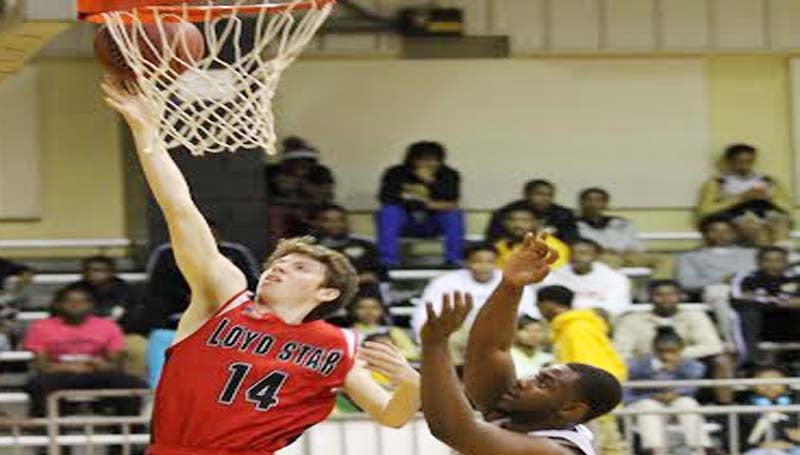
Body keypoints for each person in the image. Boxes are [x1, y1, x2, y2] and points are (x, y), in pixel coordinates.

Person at [102, 78, 421, 454]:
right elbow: (181, 211)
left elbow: (392, 416)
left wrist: (412, 383)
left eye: (300, 267)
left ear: (327, 292)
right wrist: (146, 132)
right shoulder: (222, 297)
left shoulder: (339, 347)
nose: (280, 268)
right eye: (279, 262)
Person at [439, 234, 621, 455]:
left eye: (543, 384)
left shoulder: (555, 450)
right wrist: (511, 285)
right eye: (537, 376)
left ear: (570, 409)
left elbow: (453, 431)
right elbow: (489, 351)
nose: (524, 382)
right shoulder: (516, 417)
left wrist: (435, 347)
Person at [23, 284, 148, 417]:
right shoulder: (40, 328)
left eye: (82, 302)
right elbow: (42, 366)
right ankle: (47, 430)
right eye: (69, 301)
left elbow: (115, 364)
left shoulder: (108, 326)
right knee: (38, 384)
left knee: (131, 384)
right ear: (59, 305)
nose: (75, 305)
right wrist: (70, 367)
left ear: (91, 305)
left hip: (95, 372)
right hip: (59, 374)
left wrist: (102, 365)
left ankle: (129, 430)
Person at [534, 284, 627, 455]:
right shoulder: (571, 327)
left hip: (588, 402)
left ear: (548, 304)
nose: (539, 312)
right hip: (584, 403)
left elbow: (587, 370)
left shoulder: (576, 328)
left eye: (539, 306)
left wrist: (583, 402)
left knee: (605, 448)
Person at [411, 243, 538, 365]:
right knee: (444, 341)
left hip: (501, 332)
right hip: (461, 331)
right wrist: (423, 339)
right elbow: (426, 312)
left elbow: (529, 313)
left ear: (497, 263)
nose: (484, 266)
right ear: (466, 263)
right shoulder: (445, 281)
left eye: (490, 262)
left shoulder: (511, 280)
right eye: (477, 261)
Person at [614, 280, 734, 403]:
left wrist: (678, 356)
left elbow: (713, 346)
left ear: (681, 296)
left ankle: (724, 409)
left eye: (672, 295)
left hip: (688, 368)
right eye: (659, 295)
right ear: (649, 297)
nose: (666, 299)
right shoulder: (631, 320)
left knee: (722, 361)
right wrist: (653, 360)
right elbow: (620, 352)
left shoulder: (695, 316)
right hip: (645, 370)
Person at [145, 220, 261, 331]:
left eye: (210, 235)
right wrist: (191, 298)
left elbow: (252, 283)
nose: (203, 241)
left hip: (229, 307)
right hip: (179, 309)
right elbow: (158, 286)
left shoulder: (236, 253)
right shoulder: (167, 254)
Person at [624, 327, 713, 455]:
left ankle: (699, 449)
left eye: (672, 351)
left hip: (677, 404)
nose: (666, 356)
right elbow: (627, 393)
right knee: (648, 406)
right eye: (662, 351)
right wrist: (653, 395)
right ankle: (655, 450)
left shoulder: (692, 366)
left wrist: (676, 392)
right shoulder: (637, 365)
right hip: (646, 404)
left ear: (681, 350)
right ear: (654, 350)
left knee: (687, 403)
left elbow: (694, 388)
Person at [376, 141, 464, 267]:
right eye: (425, 160)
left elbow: (451, 202)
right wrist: (429, 204)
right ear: (412, 160)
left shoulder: (448, 174)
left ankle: (454, 260)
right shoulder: (396, 173)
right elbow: (386, 198)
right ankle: (388, 261)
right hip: (405, 221)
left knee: (453, 215)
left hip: (433, 223)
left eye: (435, 160)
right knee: (389, 212)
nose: (430, 164)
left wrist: (430, 182)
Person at [697, 144, 792, 247]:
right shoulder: (718, 183)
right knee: (756, 229)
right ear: (729, 162)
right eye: (740, 162)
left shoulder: (768, 181)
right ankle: (767, 255)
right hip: (735, 216)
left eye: (749, 162)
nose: (745, 166)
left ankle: (784, 252)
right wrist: (740, 198)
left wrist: (769, 199)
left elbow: (787, 207)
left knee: (780, 221)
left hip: (765, 211)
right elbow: (705, 211)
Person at [70, 255, 148, 378]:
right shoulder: (72, 292)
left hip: (122, 335)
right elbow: (61, 318)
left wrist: (110, 335)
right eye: (88, 270)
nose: (93, 274)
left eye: (99, 270)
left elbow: (136, 319)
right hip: (80, 336)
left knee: (139, 346)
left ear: (111, 272)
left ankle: (135, 385)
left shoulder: (128, 292)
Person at [576, 187, 674, 279]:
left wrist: (633, 249)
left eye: (599, 200)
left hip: (628, 255)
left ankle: (659, 290)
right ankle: (612, 294)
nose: (594, 204)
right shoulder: (574, 224)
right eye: (589, 200)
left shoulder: (621, 222)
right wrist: (603, 251)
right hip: (602, 257)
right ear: (581, 203)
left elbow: (636, 243)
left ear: (606, 203)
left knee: (665, 259)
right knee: (609, 260)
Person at [730, 246, 800, 364]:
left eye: (778, 261)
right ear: (758, 262)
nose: (773, 265)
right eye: (767, 260)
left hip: (791, 323)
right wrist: (780, 302)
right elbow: (739, 298)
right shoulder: (747, 278)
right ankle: (751, 362)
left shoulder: (796, 278)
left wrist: (765, 300)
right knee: (749, 312)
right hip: (762, 325)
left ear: (786, 262)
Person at [264, 136, 335, 250]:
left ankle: (331, 248)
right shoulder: (272, 171)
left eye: (306, 161)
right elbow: (267, 199)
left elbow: (325, 197)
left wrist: (300, 182)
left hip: (313, 208)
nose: (302, 164)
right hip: (284, 210)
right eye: (296, 161)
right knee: (275, 213)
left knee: (332, 215)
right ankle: (278, 250)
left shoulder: (321, 171)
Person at [543, 238, 632, 317]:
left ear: (596, 256)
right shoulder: (555, 275)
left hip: (599, 320)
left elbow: (618, 306)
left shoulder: (615, 278)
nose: (576, 257)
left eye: (583, 253)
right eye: (572, 253)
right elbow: (548, 304)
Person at [309, 204, 387, 293]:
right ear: (318, 223)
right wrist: (357, 280)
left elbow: (378, 275)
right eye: (327, 220)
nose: (335, 224)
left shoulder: (366, 245)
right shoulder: (312, 250)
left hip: (364, 296)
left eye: (340, 219)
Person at [676, 216, 757, 299]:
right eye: (714, 231)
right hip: (715, 294)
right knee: (716, 291)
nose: (721, 235)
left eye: (726, 231)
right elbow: (686, 283)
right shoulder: (691, 257)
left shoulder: (752, 253)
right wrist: (721, 280)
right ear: (705, 234)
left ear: (734, 234)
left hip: (752, 292)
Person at [486, 179, 579, 244]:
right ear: (526, 194)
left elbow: (572, 240)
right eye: (539, 194)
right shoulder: (506, 212)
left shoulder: (563, 214)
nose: (545, 198)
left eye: (550, 195)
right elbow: (492, 239)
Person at [739, 366, 800, 455]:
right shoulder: (744, 406)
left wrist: (789, 442)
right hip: (759, 449)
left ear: (785, 384)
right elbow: (742, 438)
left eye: (775, 381)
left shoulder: (795, 403)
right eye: (762, 381)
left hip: (793, 448)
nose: (769, 385)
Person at [348, 290, 418, 361]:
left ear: (382, 310)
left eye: (374, 307)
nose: (369, 311)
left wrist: (385, 354)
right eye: (362, 307)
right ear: (353, 310)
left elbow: (412, 353)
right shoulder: (347, 333)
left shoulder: (393, 331)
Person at [494, 206, 570, 270]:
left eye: (524, 220)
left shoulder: (554, 247)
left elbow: (553, 276)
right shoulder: (499, 246)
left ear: (536, 223)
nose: (517, 225)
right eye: (512, 220)